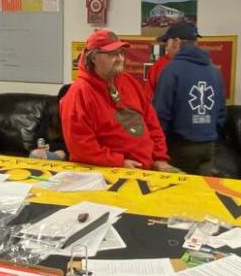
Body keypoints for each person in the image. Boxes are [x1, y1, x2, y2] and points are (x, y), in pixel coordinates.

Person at [61, 29, 174, 171]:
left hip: (149, 168)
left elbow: (152, 122)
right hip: (110, 173)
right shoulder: (78, 93)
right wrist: (119, 162)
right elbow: (81, 147)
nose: (120, 58)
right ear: (93, 58)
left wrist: (159, 158)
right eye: (112, 54)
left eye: (121, 52)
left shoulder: (129, 82)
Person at [153, 22, 226, 175]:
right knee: (203, 193)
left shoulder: (171, 70)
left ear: (176, 42)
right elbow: (221, 112)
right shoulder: (214, 71)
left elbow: (160, 114)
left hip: (179, 146)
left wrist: (158, 148)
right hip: (209, 145)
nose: (167, 48)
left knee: (175, 194)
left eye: (168, 42)